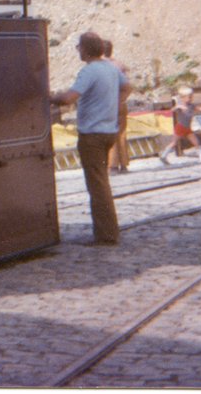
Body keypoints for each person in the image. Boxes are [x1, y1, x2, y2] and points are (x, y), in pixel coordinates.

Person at [51, 32, 130, 245]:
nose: (77, 50)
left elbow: (69, 98)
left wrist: (49, 97)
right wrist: (114, 104)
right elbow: (127, 87)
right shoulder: (111, 69)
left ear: (85, 49)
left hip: (92, 135)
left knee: (97, 185)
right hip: (109, 131)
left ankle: (106, 235)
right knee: (101, 182)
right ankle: (107, 232)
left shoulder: (88, 71)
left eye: (78, 47)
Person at [159, 87, 201, 164]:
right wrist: (178, 107)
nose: (190, 99)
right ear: (182, 98)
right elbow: (172, 110)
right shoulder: (180, 105)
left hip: (187, 128)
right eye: (188, 97)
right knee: (174, 143)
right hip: (180, 127)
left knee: (196, 142)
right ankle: (164, 155)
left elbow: (200, 109)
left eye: (191, 97)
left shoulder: (191, 106)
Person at [103, 39, 130, 173]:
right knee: (122, 133)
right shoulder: (120, 65)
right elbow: (128, 86)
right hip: (121, 103)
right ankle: (124, 164)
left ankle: (112, 165)